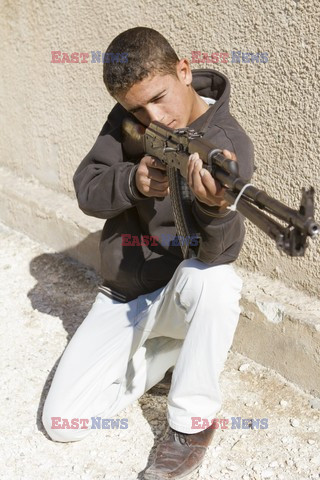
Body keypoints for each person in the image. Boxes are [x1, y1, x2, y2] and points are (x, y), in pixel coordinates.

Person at [42, 27, 254, 479]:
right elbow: (86, 189)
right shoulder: (130, 118)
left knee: (216, 281)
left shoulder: (227, 146)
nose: (153, 117)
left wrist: (216, 209)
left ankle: (191, 423)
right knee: (62, 423)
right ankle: (170, 357)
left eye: (159, 98)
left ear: (183, 70)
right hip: (124, 297)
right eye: (136, 109)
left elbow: (219, 254)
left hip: (179, 296)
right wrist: (130, 181)